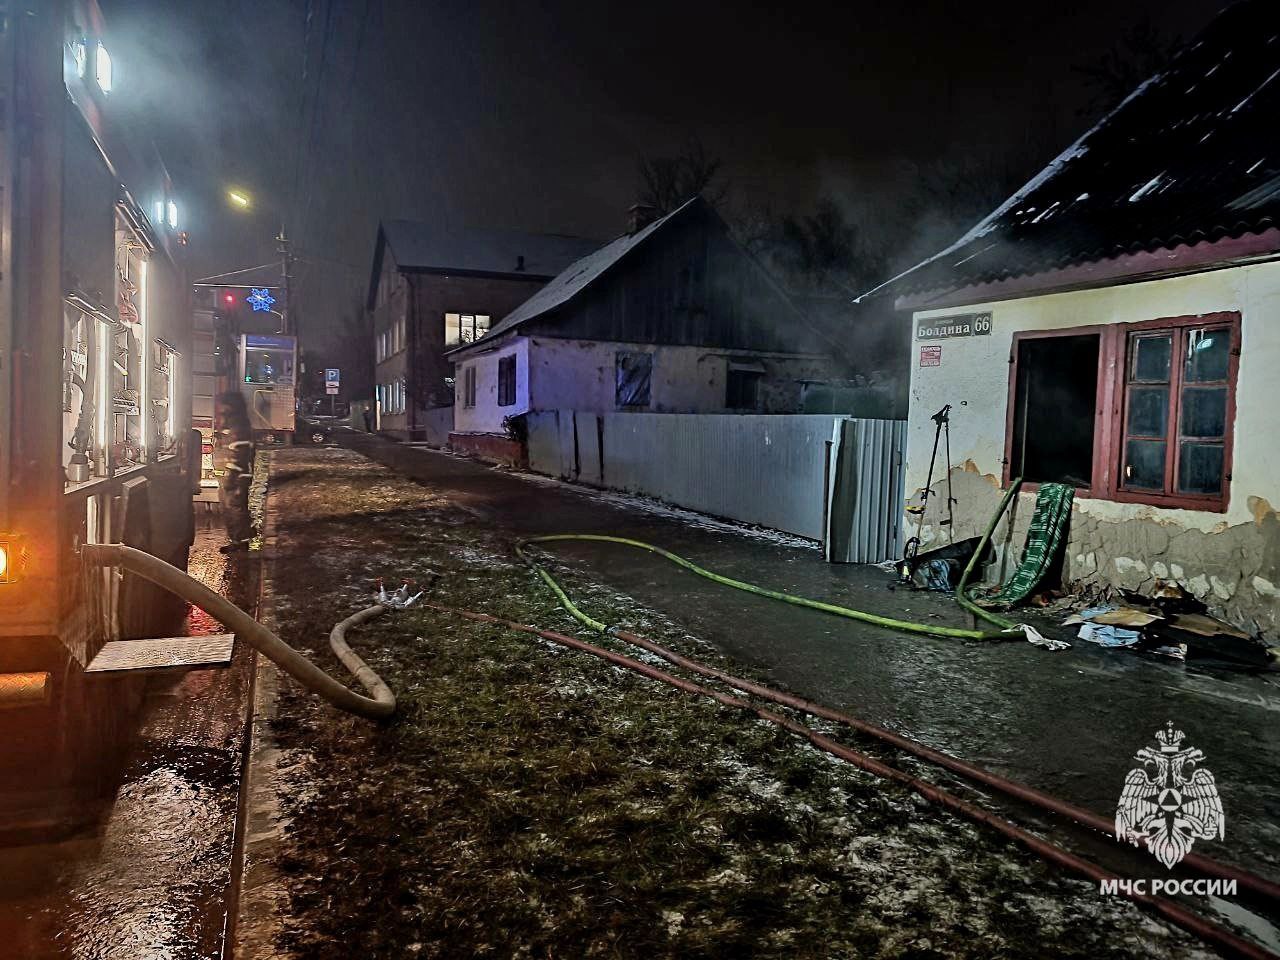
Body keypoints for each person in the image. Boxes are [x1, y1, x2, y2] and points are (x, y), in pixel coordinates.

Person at [216, 391, 255, 552]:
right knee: (231, 508)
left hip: (238, 477)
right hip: (234, 475)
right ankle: (238, 540)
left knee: (236, 508)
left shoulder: (239, 427)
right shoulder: (234, 423)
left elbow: (239, 454)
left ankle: (241, 543)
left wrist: (231, 477)